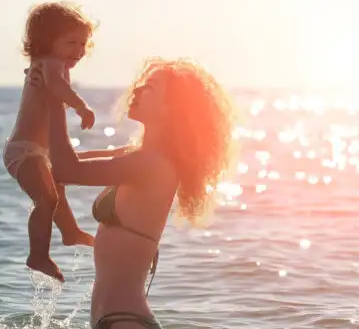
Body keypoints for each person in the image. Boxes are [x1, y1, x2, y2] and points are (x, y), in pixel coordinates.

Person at [30, 57, 235, 328]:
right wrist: (42, 97)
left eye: (149, 88)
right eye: (140, 84)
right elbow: (52, 164)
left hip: (126, 321)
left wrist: (57, 98)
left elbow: (67, 170)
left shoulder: (152, 164)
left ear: (171, 109)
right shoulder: (134, 155)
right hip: (112, 320)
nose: (137, 90)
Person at [3, 1, 98, 283]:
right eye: (71, 42)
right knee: (47, 199)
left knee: (58, 192)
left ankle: (69, 232)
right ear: (47, 41)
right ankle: (38, 255)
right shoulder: (52, 64)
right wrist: (81, 106)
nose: (79, 51)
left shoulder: (41, 64)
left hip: (35, 151)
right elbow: (58, 86)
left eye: (83, 44)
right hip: (24, 152)